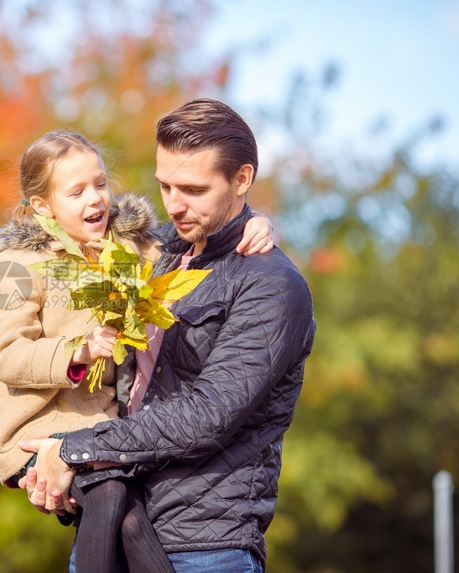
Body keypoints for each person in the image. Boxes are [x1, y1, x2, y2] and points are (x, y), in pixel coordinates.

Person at [17, 100, 316, 573]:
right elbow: (50, 233)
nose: (174, 204)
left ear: (241, 180)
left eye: (194, 189)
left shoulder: (270, 285)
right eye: (165, 186)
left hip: (205, 547)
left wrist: (73, 448)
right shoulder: (154, 253)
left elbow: (206, 416)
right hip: (109, 525)